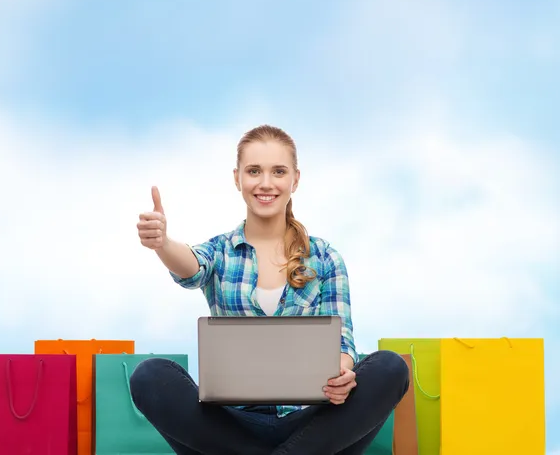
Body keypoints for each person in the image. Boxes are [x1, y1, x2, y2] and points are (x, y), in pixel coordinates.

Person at [130, 124, 409, 455]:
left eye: (278, 171)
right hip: (229, 426)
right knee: (149, 376)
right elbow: (191, 267)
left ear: (295, 179)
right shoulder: (220, 251)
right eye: (253, 171)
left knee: (391, 368)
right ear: (237, 179)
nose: (265, 183)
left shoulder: (325, 258)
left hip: (312, 424)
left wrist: (342, 372)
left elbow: (344, 344)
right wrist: (162, 244)